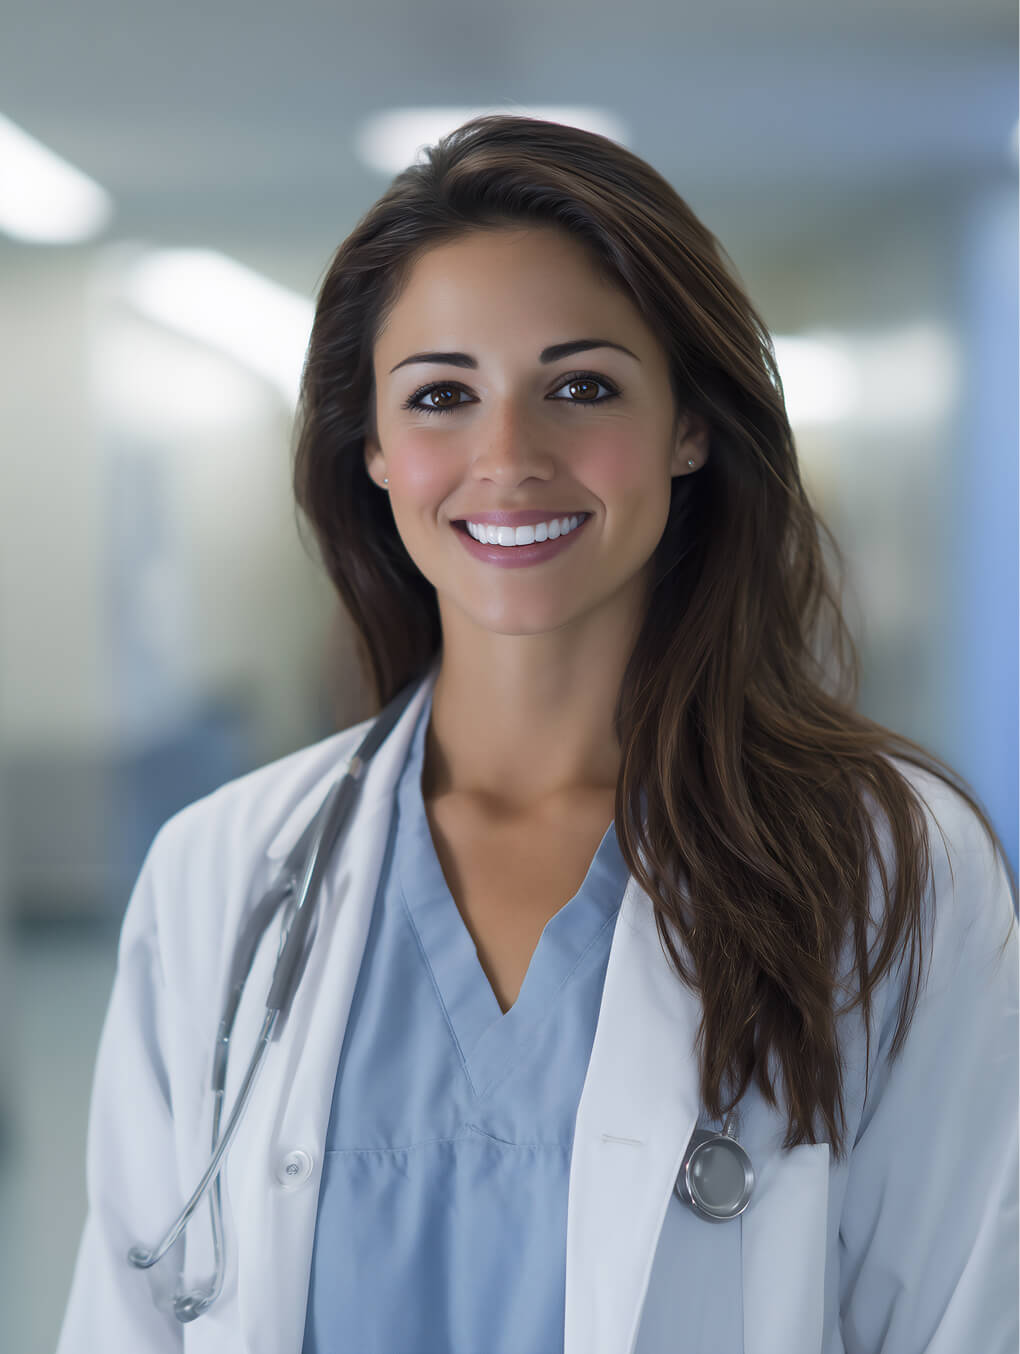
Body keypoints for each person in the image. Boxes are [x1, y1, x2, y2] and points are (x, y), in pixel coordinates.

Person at [58, 115, 1018, 1354]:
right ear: (376, 452)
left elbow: (971, 1315)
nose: (507, 456)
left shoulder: (891, 866)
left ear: (689, 428)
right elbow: (127, 1320)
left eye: (580, 387)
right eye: (443, 396)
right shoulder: (222, 873)